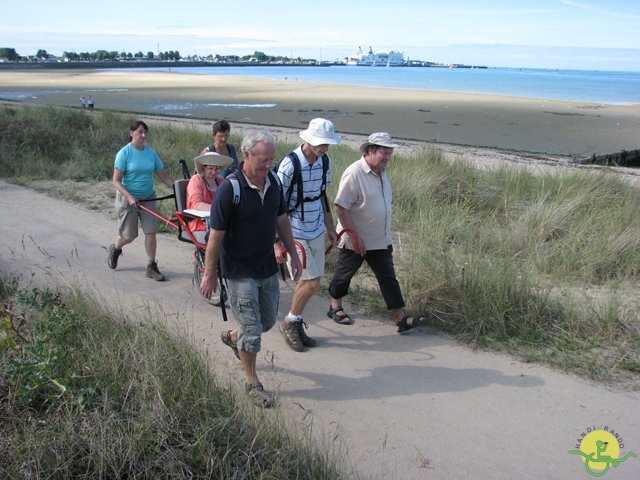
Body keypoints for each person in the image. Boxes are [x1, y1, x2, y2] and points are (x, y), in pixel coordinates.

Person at [199, 129, 302, 408]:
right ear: (246, 155)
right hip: (238, 271)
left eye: (271, 159)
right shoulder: (228, 190)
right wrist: (209, 274)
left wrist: (293, 254)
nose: (269, 165)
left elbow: (282, 221)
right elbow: (216, 236)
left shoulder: (273, 183)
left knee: (266, 321)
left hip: (266, 268)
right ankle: (252, 382)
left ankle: (234, 338)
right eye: (263, 159)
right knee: (252, 329)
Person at [327, 132, 428, 333]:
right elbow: (340, 206)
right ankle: (334, 306)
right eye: (385, 153)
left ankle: (400, 319)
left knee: (388, 277)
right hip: (356, 239)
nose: (388, 158)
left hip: (380, 239)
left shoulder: (381, 172)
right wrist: (355, 236)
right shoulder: (354, 173)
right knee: (344, 275)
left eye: (390, 153)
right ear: (371, 150)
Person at [274, 118, 341, 352]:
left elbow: (322, 196)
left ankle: (296, 322)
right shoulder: (289, 164)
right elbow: (275, 203)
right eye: (322, 143)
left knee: (306, 282)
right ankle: (290, 323)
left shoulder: (324, 162)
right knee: (312, 283)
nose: (325, 147)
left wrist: (331, 227)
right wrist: (276, 242)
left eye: (328, 143)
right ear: (309, 140)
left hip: (316, 229)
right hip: (293, 230)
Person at [107, 120, 175, 281]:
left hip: (148, 197)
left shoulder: (151, 154)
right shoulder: (124, 153)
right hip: (128, 198)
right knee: (129, 236)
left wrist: (180, 189)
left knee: (151, 232)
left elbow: (163, 176)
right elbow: (116, 181)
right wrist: (129, 197)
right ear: (131, 133)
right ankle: (116, 248)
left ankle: (151, 266)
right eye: (139, 132)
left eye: (145, 132)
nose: (143, 135)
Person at [186, 151, 234, 232]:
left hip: (220, 221)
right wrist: (221, 210)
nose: (214, 172)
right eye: (210, 168)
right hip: (200, 223)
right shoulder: (196, 180)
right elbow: (197, 205)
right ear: (203, 167)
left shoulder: (221, 181)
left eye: (217, 168)